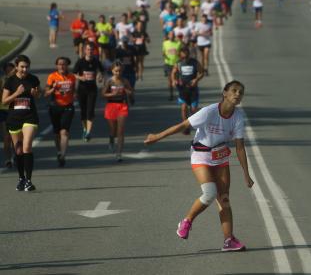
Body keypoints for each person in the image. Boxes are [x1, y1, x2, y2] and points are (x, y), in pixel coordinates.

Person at [144, 80, 254, 251]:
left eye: (241, 92)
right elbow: (183, 125)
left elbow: (239, 147)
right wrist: (157, 137)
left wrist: (246, 174)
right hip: (201, 155)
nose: (237, 94)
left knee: (224, 199)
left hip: (220, 157)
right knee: (210, 193)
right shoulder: (209, 112)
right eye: (234, 90)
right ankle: (186, 221)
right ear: (224, 93)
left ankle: (228, 240)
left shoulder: (238, 117)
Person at [1, 55, 41, 191]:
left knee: (27, 147)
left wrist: (36, 94)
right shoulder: (10, 81)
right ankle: (21, 178)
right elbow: (4, 101)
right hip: (14, 118)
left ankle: (29, 181)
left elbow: (38, 95)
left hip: (30, 117)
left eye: (27, 66)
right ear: (17, 66)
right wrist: (17, 93)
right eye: (22, 66)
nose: (25, 69)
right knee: (18, 151)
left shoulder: (33, 79)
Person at [44, 57, 76, 167]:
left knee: (64, 132)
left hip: (68, 107)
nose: (62, 66)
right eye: (60, 64)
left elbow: (74, 91)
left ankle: (62, 155)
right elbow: (46, 94)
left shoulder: (72, 77)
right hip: (55, 107)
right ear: (57, 66)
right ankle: (58, 151)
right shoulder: (52, 77)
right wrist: (53, 88)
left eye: (64, 64)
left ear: (67, 65)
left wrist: (74, 96)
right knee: (57, 133)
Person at [102, 61, 134, 162]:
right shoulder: (109, 81)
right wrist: (112, 94)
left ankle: (119, 153)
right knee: (113, 130)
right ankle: (111, 139)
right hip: (111, 105)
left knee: (120, 131)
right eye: (116, 71)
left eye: (120, 71)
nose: (118, 73)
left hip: (122, 105)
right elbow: (103, 94)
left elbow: (131, 91)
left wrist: (126, 91)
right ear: (112, 71)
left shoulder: (124, 81)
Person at [73, 42, 104, 142]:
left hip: (92, 89)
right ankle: (85, 128)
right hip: (82, 89)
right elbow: (74, 73)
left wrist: (99, 77)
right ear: (85, 51)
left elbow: (101, 72)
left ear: (93, 51)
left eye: (91, 50)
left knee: (90, 110)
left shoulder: (96, 61)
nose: (90, 51)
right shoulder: (80, 62)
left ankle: (88, 133)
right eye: (88, 49)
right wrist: (80, 77)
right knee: (83, 111)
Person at [171, 47, 204, 134]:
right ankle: (186, 127)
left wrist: (196, 80)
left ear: (188, 54)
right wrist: (174, 80)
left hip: (193, 89)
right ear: (180, 55)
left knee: (193, 110)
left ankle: (196, 126)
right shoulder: (178, 63)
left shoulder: (194, 62)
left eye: (186, 55)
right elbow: (173, 73)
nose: (184, 57)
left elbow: (201, 72)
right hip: (182, 89)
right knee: (184, 108)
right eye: (183, 55)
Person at [0, 62, 15, 168]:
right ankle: (8, 159)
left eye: (12, 69)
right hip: (4, 110)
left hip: (16, 110)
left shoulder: (18, 81)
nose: (10, 71)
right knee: (6, 137)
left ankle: (16, 156)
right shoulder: (2, 80)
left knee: (16, 137)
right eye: (8, 69)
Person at [162, 31, 182, 101]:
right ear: (168, 36)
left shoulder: (178, 43)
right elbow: (163, 52)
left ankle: (180, 94)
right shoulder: (165, 43)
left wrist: (179, 54)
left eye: (173, 35)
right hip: (168, 64)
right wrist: (165, 56)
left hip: (176, 64)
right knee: (170, 80)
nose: (172, 36)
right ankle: (171, 94)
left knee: (177, 80)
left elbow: (182, 53)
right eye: (170, 35)